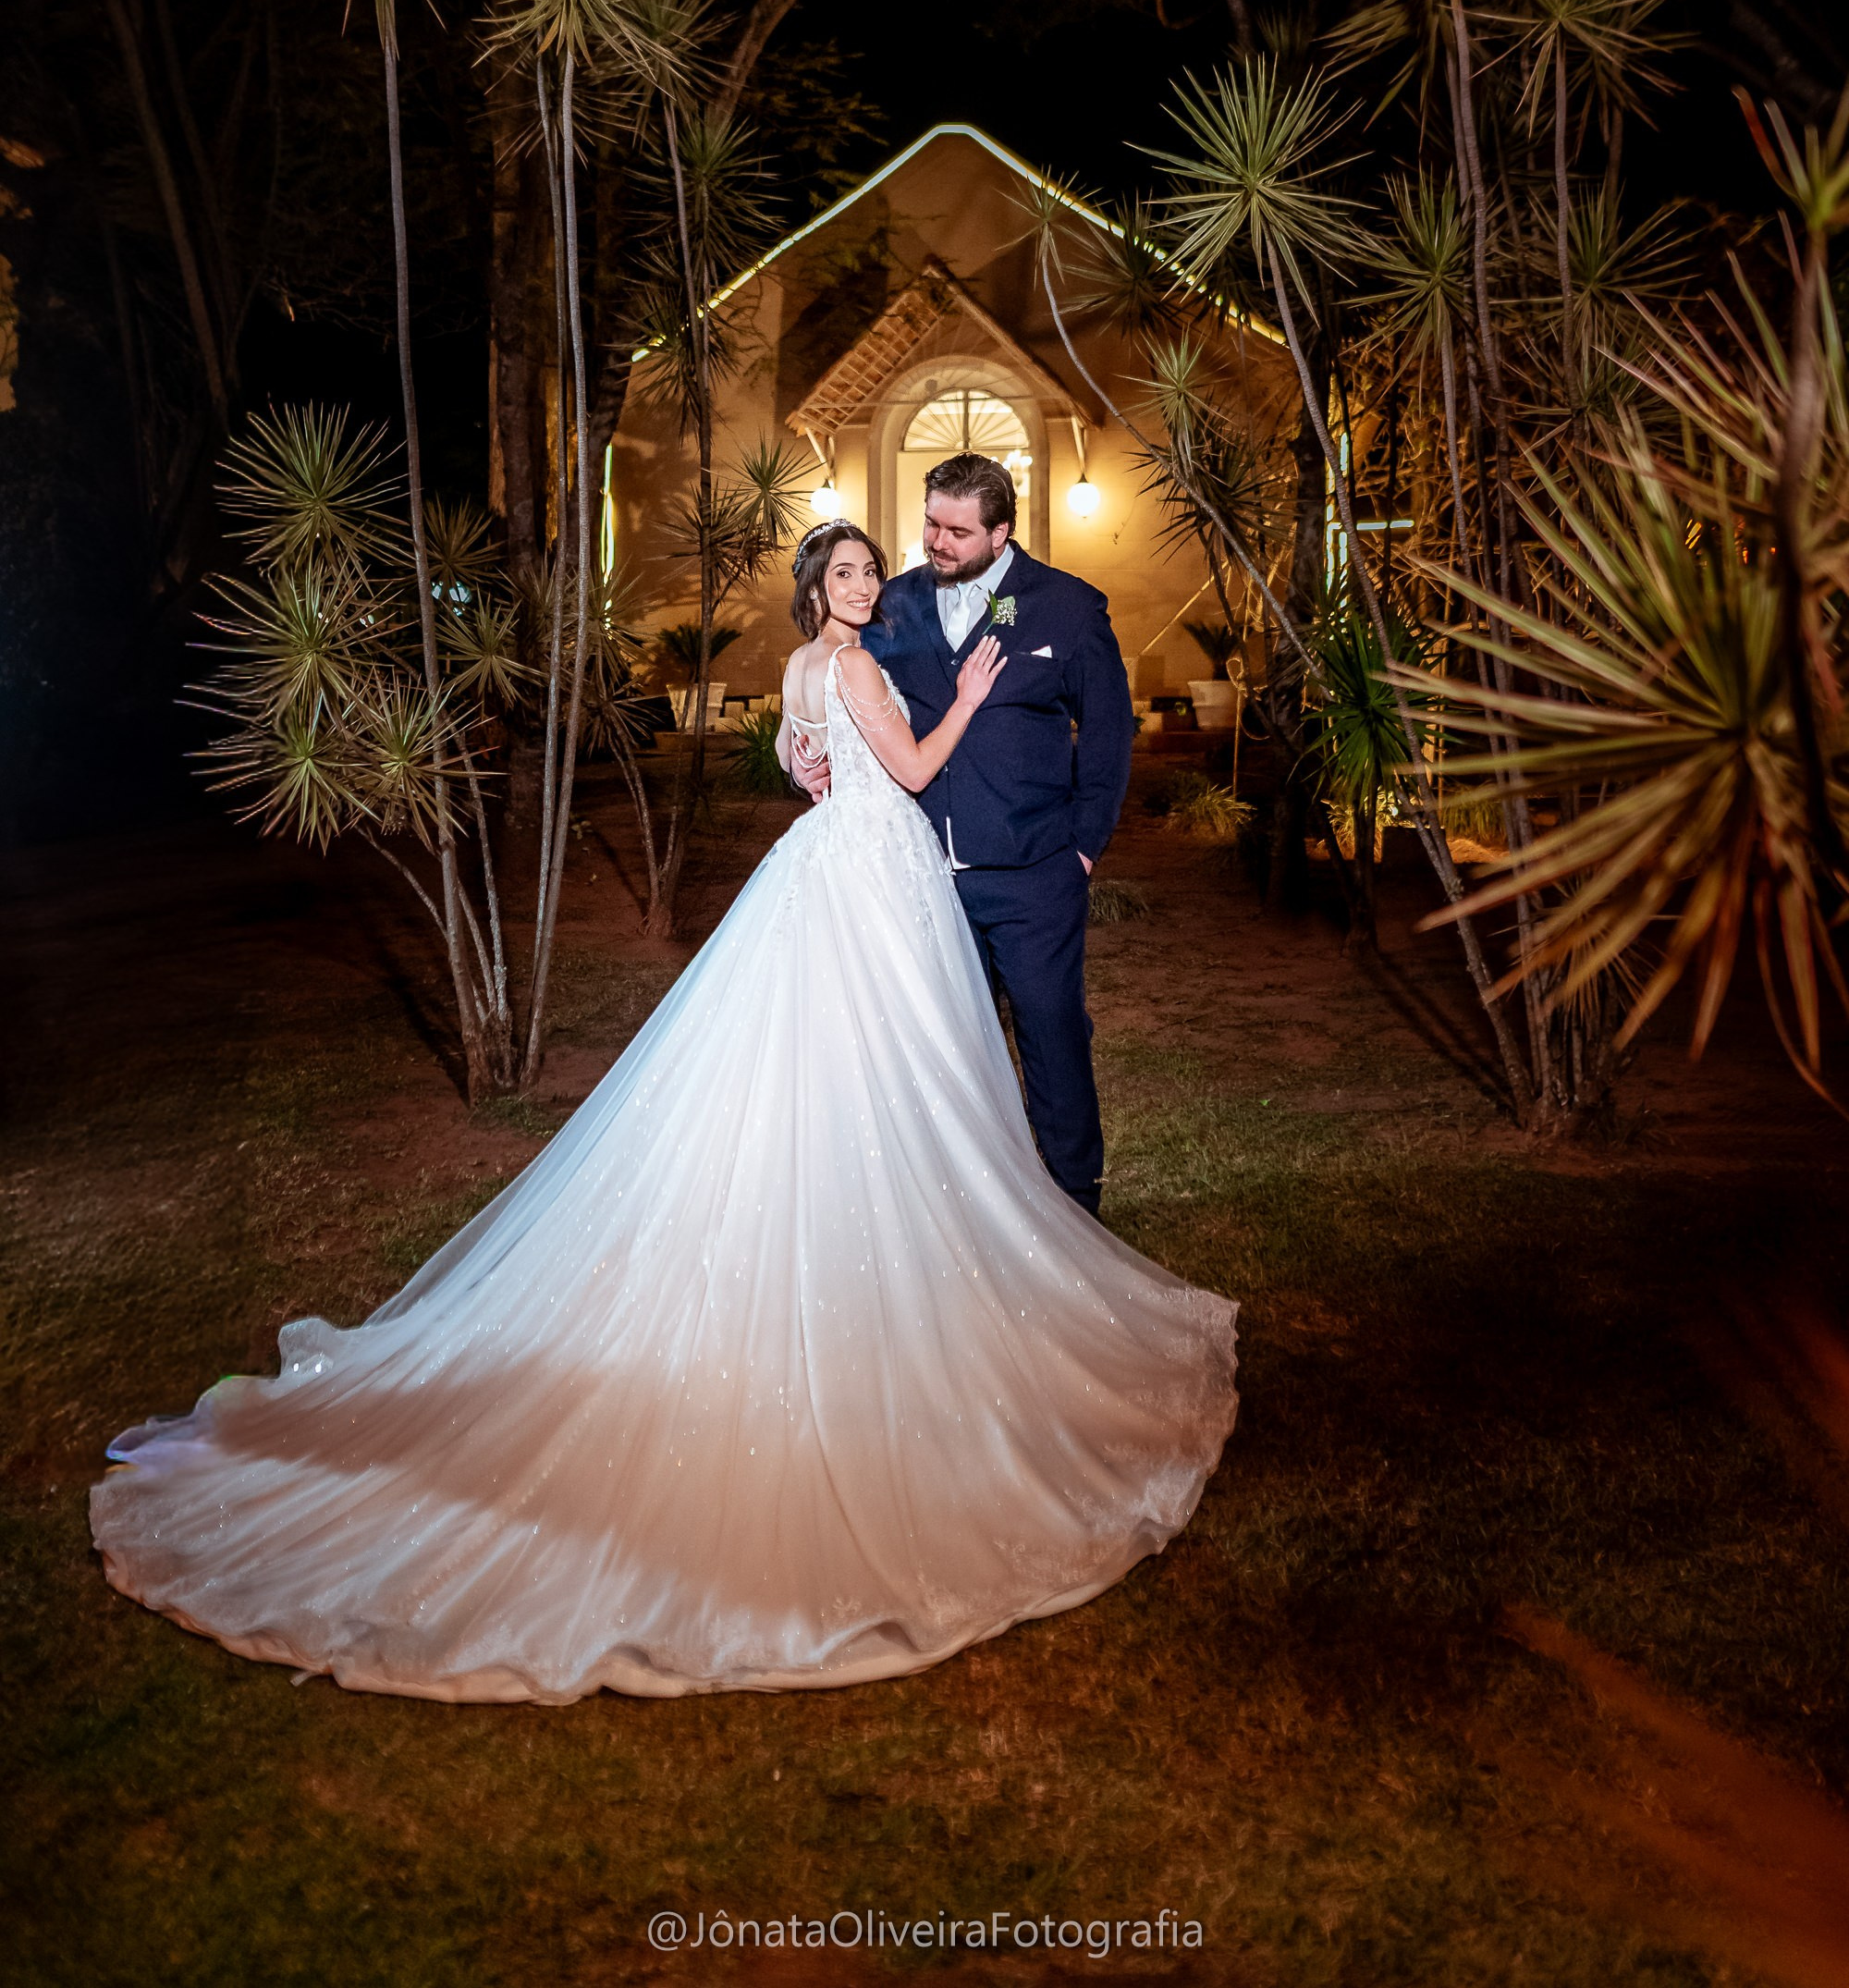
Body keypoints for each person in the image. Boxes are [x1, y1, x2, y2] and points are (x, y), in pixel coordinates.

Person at [91, 521, 1235, 1704]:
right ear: (820, 594)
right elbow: (905, 771)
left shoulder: (794, 670)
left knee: (835, 1062)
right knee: (895, 1061)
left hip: (823, 867)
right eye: (846, 574)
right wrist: (972, 695)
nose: (865, 583)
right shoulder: (844, 662)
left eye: (866, 571)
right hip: (877, 872)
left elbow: (808, 771)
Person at [789, 454, 1133, 1217]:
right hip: (918, 881)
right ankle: (977, 1205)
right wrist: (811, 765)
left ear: (1002, 530)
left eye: (957, 531)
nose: (937, 542)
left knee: (1050, 1032)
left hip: (1032, 872)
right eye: (930, 524)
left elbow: (1109, 735)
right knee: (947, 1051)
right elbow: (841, 705)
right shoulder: (892, 605)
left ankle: (1077, 1199)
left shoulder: (1063, 607)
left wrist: (1081, 847)